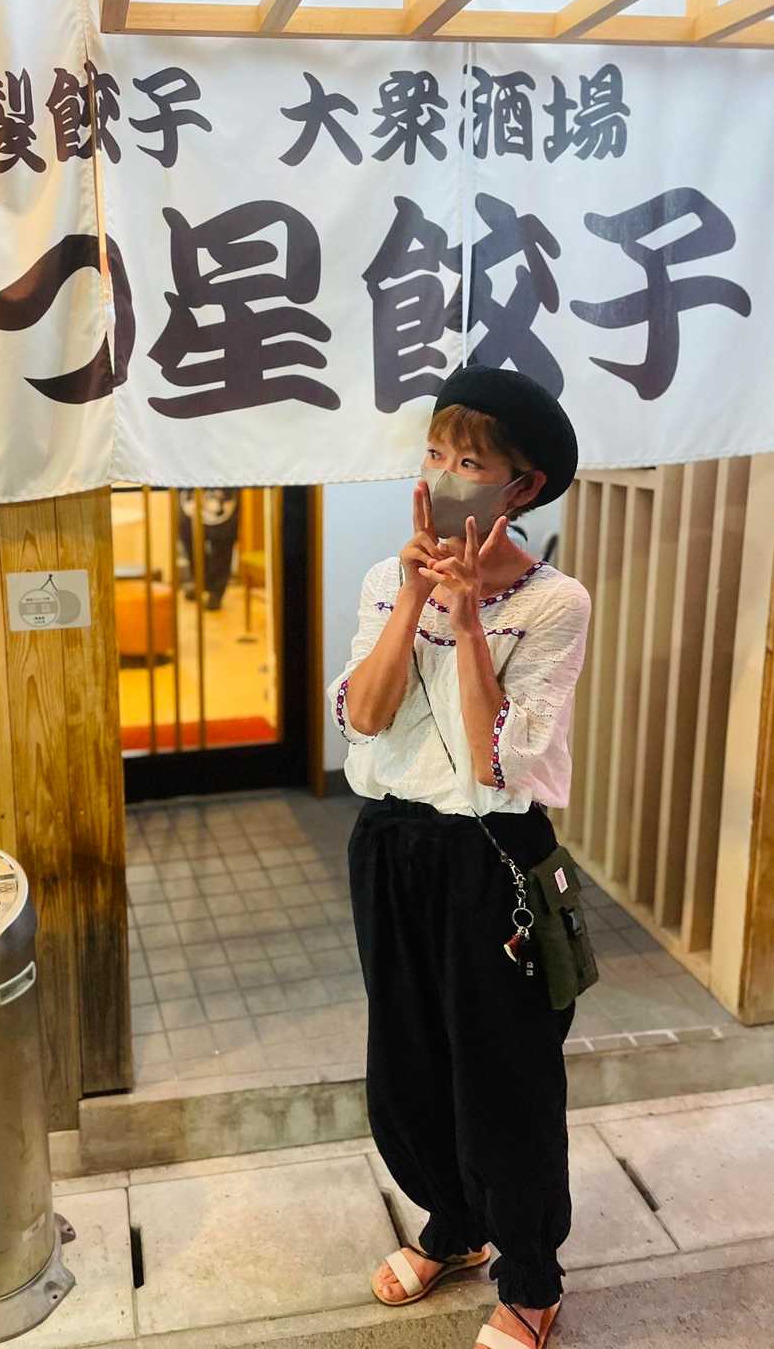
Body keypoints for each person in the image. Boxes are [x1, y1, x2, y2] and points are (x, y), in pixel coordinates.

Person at [328, 364, 590, 1349]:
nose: (442, 475)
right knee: (407, 1058)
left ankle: (531, 1276)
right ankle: (455, 1222)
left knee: (505, 1072)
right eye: (435, 453)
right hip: (391, 844)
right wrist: (411, 598)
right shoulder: (382, 578)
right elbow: (363, 715)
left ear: (522, 485)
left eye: (470, 463)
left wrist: (472, 621)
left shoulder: (555, 602)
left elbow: (497, 759)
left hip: (494, 855)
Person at [178, 487, 240, 611]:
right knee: (189, 536)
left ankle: (216, 590)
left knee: (222, 541)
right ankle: (200, 581)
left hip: (223, 488)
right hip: (190, 491)